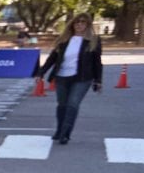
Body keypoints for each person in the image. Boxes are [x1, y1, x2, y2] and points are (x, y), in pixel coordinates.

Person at [39, 14, 102, 145]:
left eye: (83, 22)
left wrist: (98, 80)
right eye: (77, 22)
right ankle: (59, 129)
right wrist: (42, 72)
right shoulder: (64, 39)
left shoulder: (94, 40)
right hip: (62, 76)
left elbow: (97, 62)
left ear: (88, 25)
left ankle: (65, 134)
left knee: (72, 104)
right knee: (62, 104)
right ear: (72, 24)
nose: (79, 25)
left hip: (82, 78)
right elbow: (52, 58)